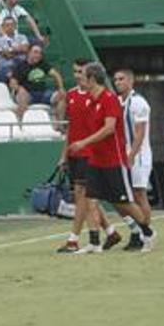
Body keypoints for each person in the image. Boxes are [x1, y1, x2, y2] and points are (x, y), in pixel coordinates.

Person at [68, 62, 156, 254]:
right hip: (95, 160)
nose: (80, 79)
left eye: (83, 76)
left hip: (113, 160)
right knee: (90, 200)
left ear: (92, 79)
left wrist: (83, 143)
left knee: (123, 202)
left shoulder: (109, 100)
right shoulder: (90, 101)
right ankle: (94, 242)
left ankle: (147, 233)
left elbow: (108, 129)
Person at [56, 59, 120, 253]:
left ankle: (74, 239)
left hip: (89, 153)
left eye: (81, 72)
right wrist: (63, 155)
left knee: (83, 197)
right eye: (75, 71)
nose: (77, 75)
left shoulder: (99, 98)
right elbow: (69, 128)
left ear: (90, 76)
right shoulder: (71, 95)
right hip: (76, 152)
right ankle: (110, 232)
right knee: (87, 197)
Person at [113, 69, 154, 251]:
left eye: (121, 79)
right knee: (120, 197)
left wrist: (131, 156)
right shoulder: (117, 102)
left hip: (139, 155)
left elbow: (140, 133)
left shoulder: (138, 102)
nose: (118, 82)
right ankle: (136, 230)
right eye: (115, 79)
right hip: (122, 155)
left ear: (131, 81)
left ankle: (146, 234)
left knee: (139, 194)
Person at [9, 44, 66, 119]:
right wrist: (20, 89)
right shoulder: (21, 66)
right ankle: (20, 124)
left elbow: (56, 75)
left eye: (40, 53)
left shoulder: (43, 64)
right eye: (35, 52)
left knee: (62, 96)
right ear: (29, 53)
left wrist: (61, 88)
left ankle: (59, 125)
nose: (38, 55)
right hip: (28, 94)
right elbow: (12, 83)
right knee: (22, 95)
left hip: (43, 93)